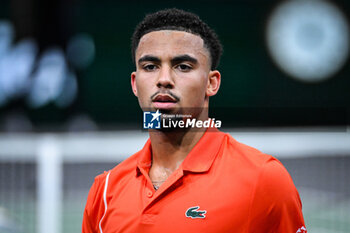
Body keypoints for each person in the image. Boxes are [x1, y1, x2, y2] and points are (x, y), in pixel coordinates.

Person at [82, 8, 307, 233]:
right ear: (134, 83)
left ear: (212, 83)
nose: (164, 79)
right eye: (150, 67)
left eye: (183, 67)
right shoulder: (105, 191)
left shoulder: (264, 179)